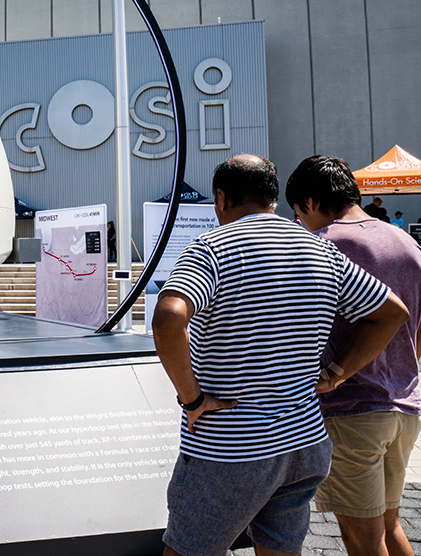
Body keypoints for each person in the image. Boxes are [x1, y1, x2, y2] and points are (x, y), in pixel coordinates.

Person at [150, 154, 409, 556]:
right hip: (304, 440)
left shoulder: (212, 248)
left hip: (233, 443)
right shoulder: (320, 250)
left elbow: (168, 317)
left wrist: (193, 398)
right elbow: (391, 312)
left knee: (187, 550)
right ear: (273, 198)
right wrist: (338, 372)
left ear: (221, 199)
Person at [286, 155, 421, 556]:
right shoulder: (406, 241)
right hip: (405, 404)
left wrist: (338, 372)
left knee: (362, 539)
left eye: (297, 213)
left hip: (353, 407)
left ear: (309, 202)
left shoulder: (325, 244)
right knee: (389, 525)